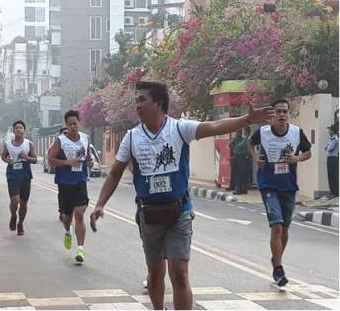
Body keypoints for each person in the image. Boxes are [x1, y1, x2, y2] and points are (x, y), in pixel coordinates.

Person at [90, 81, 274, 310]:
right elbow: (116, 172)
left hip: (179, 212)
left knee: (179, 273)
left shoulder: (179, 129)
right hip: (149, 215)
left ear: (158, 103)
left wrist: (246, 120)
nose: (137, 105)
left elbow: (214, 126)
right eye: (136, 100)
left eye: (142, 100)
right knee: (155, 276)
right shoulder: (131, 137)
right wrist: (99, 204)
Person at [248, 99, 311, 287]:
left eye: (285, 111)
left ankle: (275, 260)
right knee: (276, 226)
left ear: (288, 114)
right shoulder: (264, 132)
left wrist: (296, 158)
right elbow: (249, 143)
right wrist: (256, 157)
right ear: (273, 115)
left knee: (284, 229)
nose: (282, 115)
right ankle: (278, 268)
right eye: (278, 112)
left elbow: (308, 152)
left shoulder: (297, 133)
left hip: (289, 186)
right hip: (268, 184)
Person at [48, 110, 94, 263]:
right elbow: (50, 159)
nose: (73, 127)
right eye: (70, 124)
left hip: (80, 181)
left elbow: (87, 155)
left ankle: (80, 249)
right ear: (66, 125)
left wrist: (90, 162)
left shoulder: (85, 138)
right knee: (67, 218)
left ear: (79, 123)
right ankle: (68, 231)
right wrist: (67, 162)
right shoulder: (60, 141)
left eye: (75, 123)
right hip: (65, 183)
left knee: (79, 214)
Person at [1, 120, 38, 236]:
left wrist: (26, 157)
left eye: (21, 128)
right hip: (12, 176)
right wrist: (8, 160)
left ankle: (20, 223)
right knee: (15, 200)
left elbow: (35, 160)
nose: (19, 130)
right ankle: (13, 216)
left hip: (25, 176)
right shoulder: (8, 144)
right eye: (16, 128)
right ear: (13, 131)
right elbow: (3, 155)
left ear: (24, 130)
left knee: (23, 203)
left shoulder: (29, 144)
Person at [232, 128, 251, 195]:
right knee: (242, 173)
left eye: (244, 131)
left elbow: (239, 147)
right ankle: (243, 188)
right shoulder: (246, 138)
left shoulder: (247, 138)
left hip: (242, 157)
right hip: (242, 157)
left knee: (240, 173)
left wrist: (235, 149)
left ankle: (240, 189)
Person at [324, 124, 338, 199]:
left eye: (330, 130)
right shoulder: (331, 139)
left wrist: (327, 147)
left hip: (333, 158)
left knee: (333, 176)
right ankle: (332, 192)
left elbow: (329, 149)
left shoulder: (335, 139)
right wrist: (327, 147)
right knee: (330, 175)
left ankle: (335, 193)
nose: (329, 131)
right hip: (330, 158)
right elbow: (326, 147)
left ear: (333, 131)